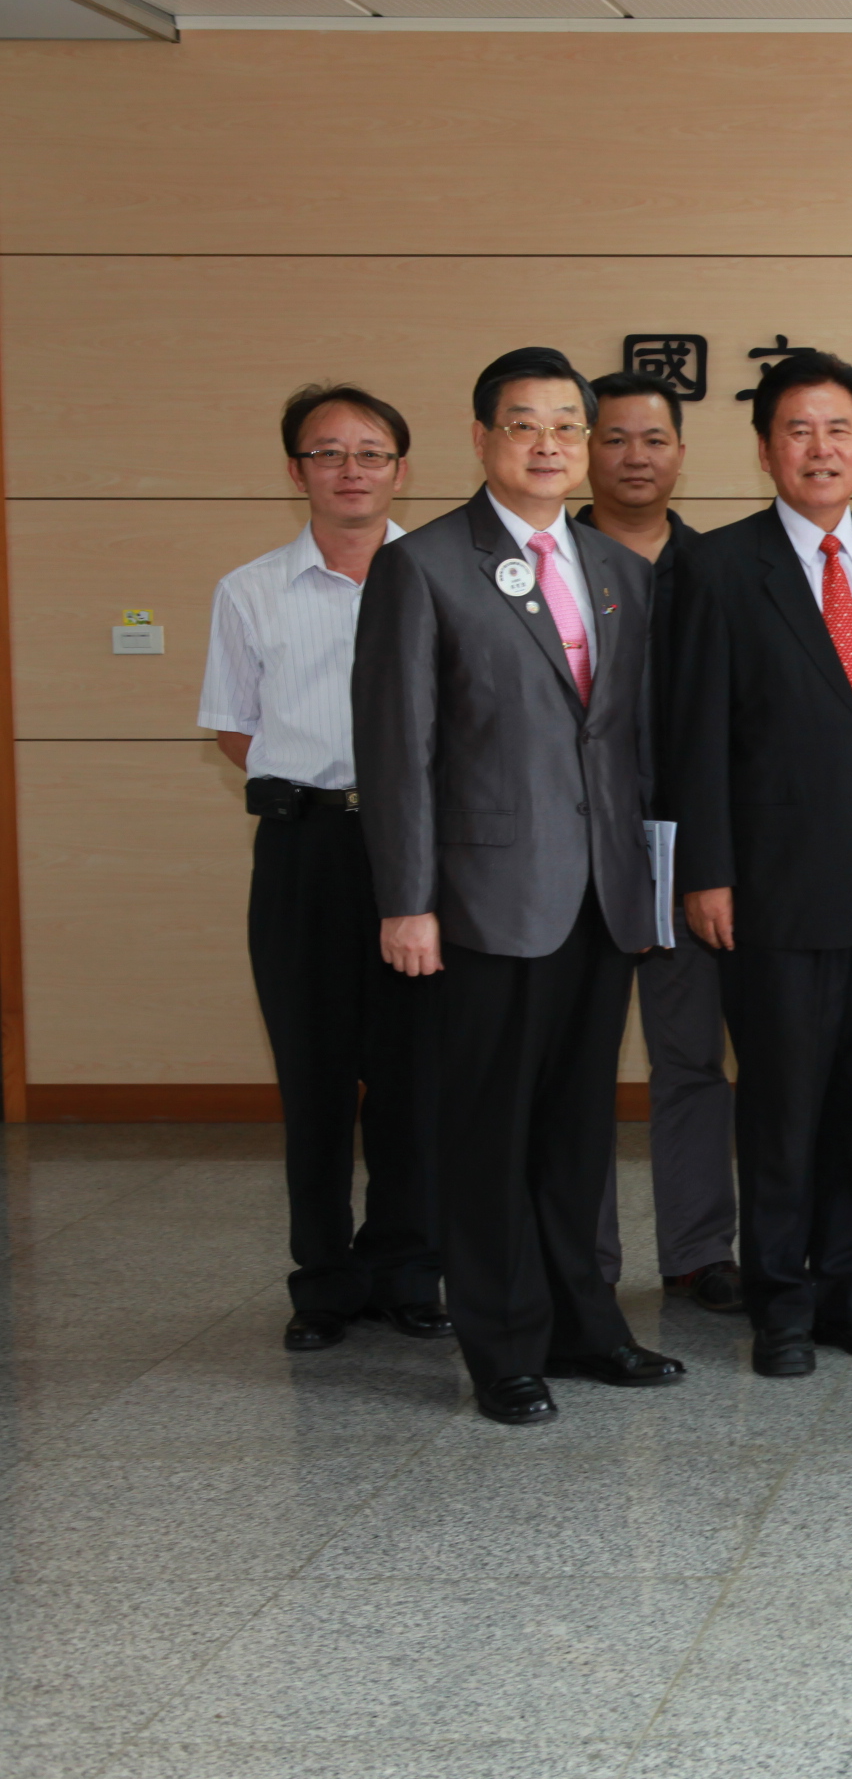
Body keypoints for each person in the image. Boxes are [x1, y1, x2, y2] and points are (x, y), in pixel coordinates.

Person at [353, 347, 680, 1425]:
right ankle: (501, 1346)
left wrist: (652, 885)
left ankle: (584, 1327)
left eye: (566, 427)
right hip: (484, 900)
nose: (548, 445)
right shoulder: (425, 566)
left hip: (601, 897)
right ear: (483, 438)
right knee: (489, 1132)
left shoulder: (619, 571)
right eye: (524, 424)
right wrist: (406, 900)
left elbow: (630, 747)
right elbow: (399, 751)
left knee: (578, 1132)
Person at [666, 351, 852, 1378]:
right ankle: (781, 1302)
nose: (820, 449)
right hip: (772, 888)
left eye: (839, 431)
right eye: (798, 430)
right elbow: (690, 730)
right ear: (765, 448)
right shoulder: (716, 566)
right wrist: (705, 869)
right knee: (783, 1106)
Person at [198, 383, 443, 1354]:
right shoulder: (250, 589)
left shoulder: (443, 578)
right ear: (295, 469)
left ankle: (407, 1269)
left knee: (413, 1075)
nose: (351, 469)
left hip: (416, 850)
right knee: (314, 1074)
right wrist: (322, 783)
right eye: (328, 452)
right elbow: (234, 727)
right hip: (304, 849)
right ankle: (324, 1281)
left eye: (371, 452)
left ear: (401, 469)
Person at [579, 369, 738, 1316]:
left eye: (653, 439)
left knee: (691, 1059)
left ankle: (697, 1251)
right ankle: (582, 1257)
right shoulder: (547, 565)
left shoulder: (720, 568)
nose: (634, 457)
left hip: (689, 860)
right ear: (582, 450)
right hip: (573, 860)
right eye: (613, 438)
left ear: (681, 452)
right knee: (578, 1069)